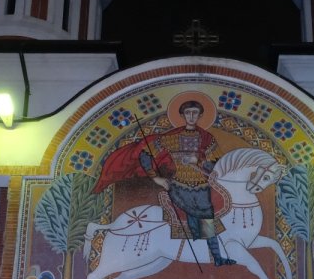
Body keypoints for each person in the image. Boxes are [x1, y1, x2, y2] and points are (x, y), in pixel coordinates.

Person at [92, 98, 233, 266]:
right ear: (182, 115)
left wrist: (201, 162)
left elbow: (217, 163)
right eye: (188, 113)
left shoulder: (207, 138)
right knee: (200, 215)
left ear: (200, 115)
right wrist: (156, 178)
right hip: (178, 185)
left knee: (208, 218)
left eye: (195, 113)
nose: (191, 116)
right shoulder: (171, 138)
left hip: (201, 187)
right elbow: (145, 154)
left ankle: (217, 257)